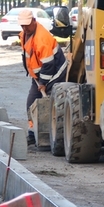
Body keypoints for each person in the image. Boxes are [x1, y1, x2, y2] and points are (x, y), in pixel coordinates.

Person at [18, 8, 68, 145]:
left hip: (55, 75)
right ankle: (32, 133)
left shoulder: (42, 39)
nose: (25, 28)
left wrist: (43, 83)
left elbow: (49, 65)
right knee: (31, 103)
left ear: (34, 21)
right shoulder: (24, 34)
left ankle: (53, 135)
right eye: (22, 25)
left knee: (51, 104)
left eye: (27, 25)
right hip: (38, 76)